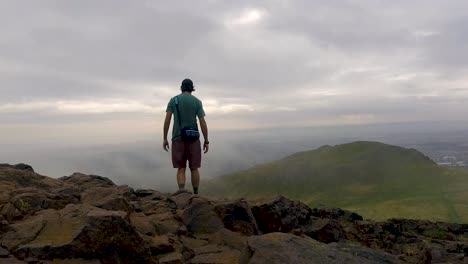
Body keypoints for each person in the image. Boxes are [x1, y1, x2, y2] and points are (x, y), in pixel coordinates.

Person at [163, 78, 209, 194]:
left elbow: (167, 120)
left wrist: (164, 138)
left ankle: (182, 193)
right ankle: (196, 194)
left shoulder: (174, 100)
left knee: (181, 168)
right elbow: (202, 122)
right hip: (193, 139)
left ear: (181, 87)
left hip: (178, 138)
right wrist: (206, 140)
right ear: (192, 88)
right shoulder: (197, 102)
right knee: (194, 168)